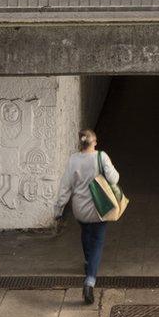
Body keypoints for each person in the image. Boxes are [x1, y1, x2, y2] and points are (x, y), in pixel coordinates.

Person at [53, 129, 120, 305]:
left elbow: (65, 187)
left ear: (80, 143)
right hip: (99, 208)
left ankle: (87, 262)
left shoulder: (73, 159)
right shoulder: (102, 157)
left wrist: (58, 210)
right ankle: (90, 280)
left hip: (80, 209)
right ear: (94, 142)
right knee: (97, 242)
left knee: (85, 234)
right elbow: (114, 179)